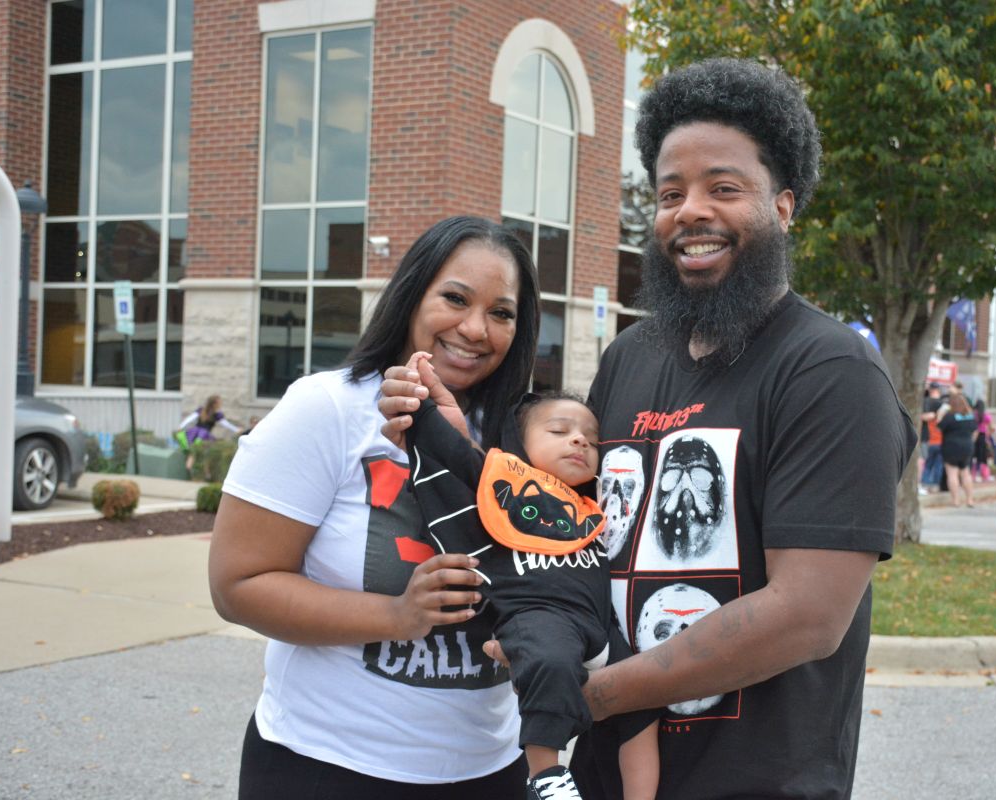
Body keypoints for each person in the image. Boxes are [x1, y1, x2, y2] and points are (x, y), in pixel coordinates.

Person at [392, 58, 916, 800]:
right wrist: (453, 440)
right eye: (671, 193)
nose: (689, 212)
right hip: (602, 777)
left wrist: (590, 695)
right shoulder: (630, 357)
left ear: (784, 205)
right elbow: (560, 512)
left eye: (723, 188)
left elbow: (807, 617)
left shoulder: (830, 371)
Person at [208, 216, 542, 798]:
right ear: (412, 295)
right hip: (327, 766)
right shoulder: (328, 408)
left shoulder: (527, 433)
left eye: (501, 312)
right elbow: (238, 586)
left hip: (493, 768)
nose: (475, 328)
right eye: (455, 298)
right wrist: (397, 616)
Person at [402, 355, 658, 800]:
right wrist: (424, 401)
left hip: (599, 626)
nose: (579, 440)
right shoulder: (499, 483)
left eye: (592, 439)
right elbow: (450, 450)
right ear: (517, 444)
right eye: (559, 431)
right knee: (549, 663)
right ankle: (546, 776)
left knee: (646, 698)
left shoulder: (595, 503)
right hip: (538, 618)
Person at [938, 392, 977, 507]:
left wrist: (940, 414)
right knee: (965, 473)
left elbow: (939, 427)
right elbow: (975, 431)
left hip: (951, 447)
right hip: (967, 446)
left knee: (952, 473)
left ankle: (955, 501)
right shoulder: (970, 416)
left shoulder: (950, 417)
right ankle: (970, 500)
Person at [177, 394, 241, 445]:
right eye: (219, 403)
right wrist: (236, 430)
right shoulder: (215, 414)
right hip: (203, 435)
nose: (220, 404)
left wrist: (181, 426)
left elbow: (190, 418)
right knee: (197, 448)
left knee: (194, 448)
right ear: (214, 404)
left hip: (195, 433)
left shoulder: (202, 411)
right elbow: (226, 424)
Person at [919, 384, 945, 492]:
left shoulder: (924, 402)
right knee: (936, 464)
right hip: (937, 440)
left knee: (927, 463)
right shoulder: (943, 405)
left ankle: (925, 484)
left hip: (928, 439)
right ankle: (934, 485)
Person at [971, 398, 994, 482]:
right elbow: (992, 427)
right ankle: (984, 475)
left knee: (974, 456)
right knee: (983, 456)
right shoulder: (986, 415)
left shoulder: (973, 415)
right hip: (983, 436)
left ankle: (973, 474)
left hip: (974, 436)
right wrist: (989, 434)